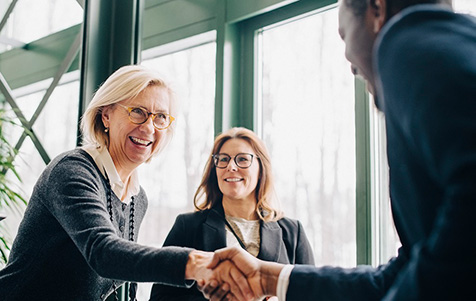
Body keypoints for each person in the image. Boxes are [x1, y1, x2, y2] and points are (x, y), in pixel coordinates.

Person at [201, 0, 476, 300]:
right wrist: (266, 277)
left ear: (377, 10)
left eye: (344, 35)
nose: (349, 62)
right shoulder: (452, 46)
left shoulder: (408, 41)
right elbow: (401, 275)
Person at [0, 65, 252, 301]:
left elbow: (122, 274)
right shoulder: (72, 171)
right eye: (138, 112)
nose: (149, 127)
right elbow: (104, 253)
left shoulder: (137, 198)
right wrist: (196, 264)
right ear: (106, 115)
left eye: (161, 117)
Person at [150, 127, 315, 301]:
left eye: (242, 159)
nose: (231, 166)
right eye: (223, 159)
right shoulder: (188, 226)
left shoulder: (293, 232)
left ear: (261, 169)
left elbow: (313, 295)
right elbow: (160, 298)